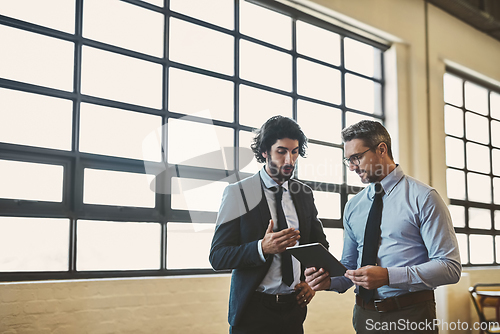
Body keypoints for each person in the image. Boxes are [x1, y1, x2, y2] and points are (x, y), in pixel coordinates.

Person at [305, 120, 461, 334]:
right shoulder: (353, 206)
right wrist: (328, 281)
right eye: (347, 160)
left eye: (356, 158)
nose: (351, 167)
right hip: (363, 316)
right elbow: (350, 266)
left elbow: (449, 268)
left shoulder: (424, 198)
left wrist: (388, 276)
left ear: (381, 149)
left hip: (411, 315)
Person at [209, 115, 329, 334]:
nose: (289, 160)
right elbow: (218, 256)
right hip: (252, 311)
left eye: (294, 152)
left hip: (294, 310)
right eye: (281, 151)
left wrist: (311, 282)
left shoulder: (304, 194)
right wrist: (261, 248)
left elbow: (319, 248)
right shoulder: (238, 193)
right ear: (265, 151)